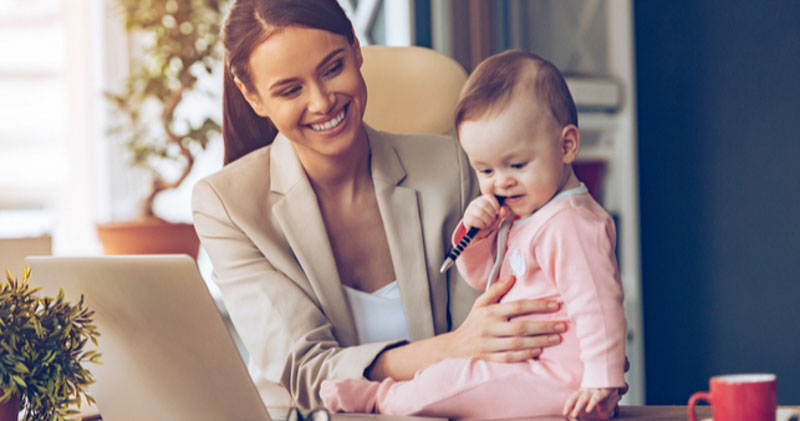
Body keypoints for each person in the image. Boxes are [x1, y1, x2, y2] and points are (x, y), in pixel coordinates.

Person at [191, 0, 569, 411]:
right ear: (254, 97)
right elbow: (308, 371)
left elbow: (491, 331)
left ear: (356, 49)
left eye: (333, 68)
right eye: (290, 90)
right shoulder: (227, 205)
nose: (321, 102)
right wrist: (451, 347)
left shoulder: (452, 167)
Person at [319, 50, 627, 420]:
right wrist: (479, 238)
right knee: (452, 376)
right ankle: (391, 394)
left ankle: (380, 400)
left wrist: (601, 381)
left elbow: (599, 305)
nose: (501, 181)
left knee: (456, 381)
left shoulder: (569, 224)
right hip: (523, 365)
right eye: (485, 170)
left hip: (558, 378)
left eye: (516, 164)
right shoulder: (525, 217)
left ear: (566, 146)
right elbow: (483, 278)